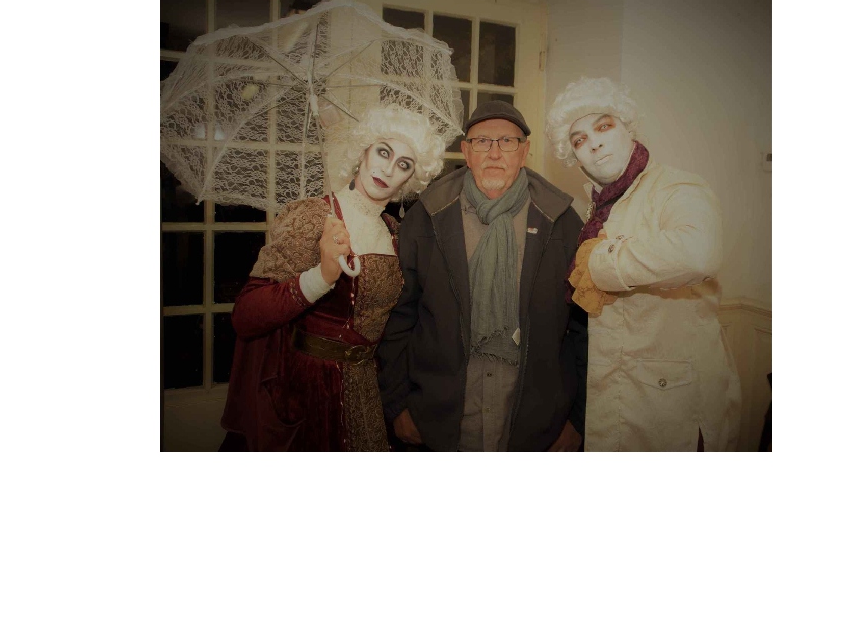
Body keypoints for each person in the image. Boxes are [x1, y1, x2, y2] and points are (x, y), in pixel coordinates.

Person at [220, 105, 446, 450]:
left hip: (367, 394)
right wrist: (321, 276)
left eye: (404, 164)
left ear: (410, 179)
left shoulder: (395, 233)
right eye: (383, 152)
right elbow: (246, 316)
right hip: (307, 393)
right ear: (363, 152)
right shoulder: (313, 216)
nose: (388, 169)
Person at [378, 100, 586, 451]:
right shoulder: (428, 216)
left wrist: (577, 419)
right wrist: (397, 403)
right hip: (440, 419)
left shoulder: (560, 221)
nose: (494, 152)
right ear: (466, 152)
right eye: (482, 142)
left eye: (507, 141)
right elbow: (398, 317)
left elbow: (583, 328)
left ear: (525, 151)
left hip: (536, 424)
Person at [545, 77, 741, 451]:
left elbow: (698, 252)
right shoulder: (599, 208)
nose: (593, 143)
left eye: (603, 126)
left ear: (628, 128)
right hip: (617, 396)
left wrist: (599, 264)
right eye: (579, 140)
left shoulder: (676, 187)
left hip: (673, 405)